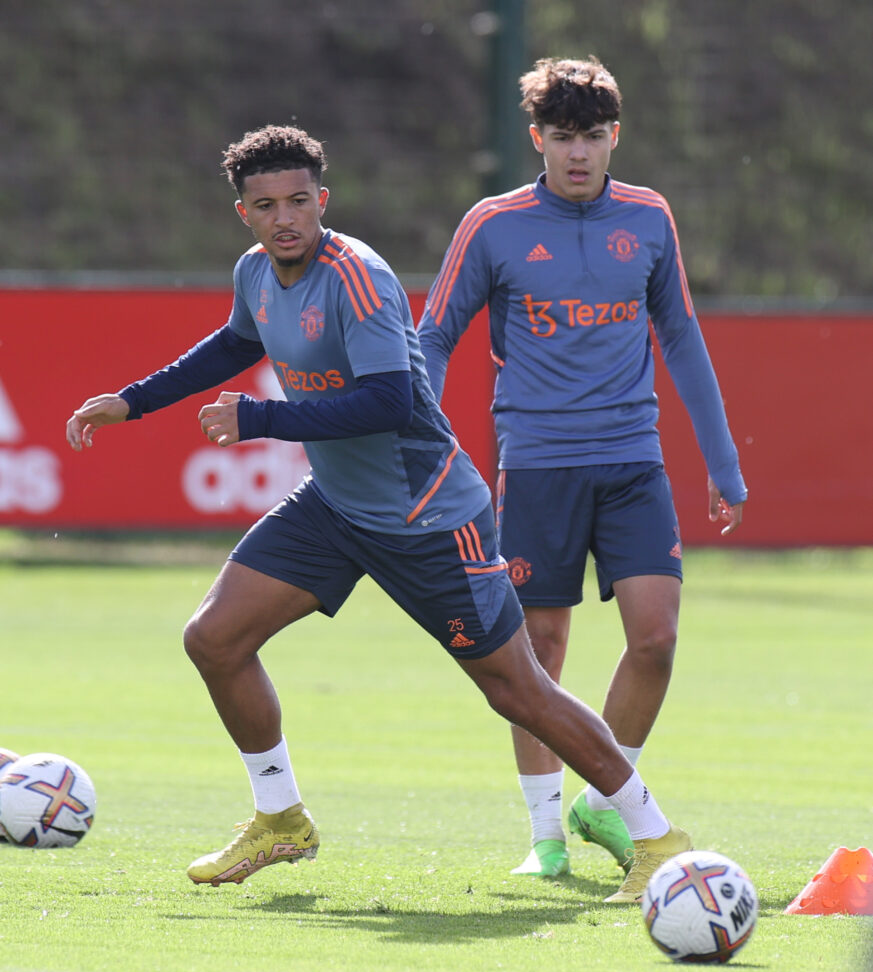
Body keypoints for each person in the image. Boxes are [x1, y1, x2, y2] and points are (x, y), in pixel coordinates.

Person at [66, 123, 691, 901]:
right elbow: (232, 345)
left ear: (322, 200)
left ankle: (655, 836)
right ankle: (279, 818)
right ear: (245, 214)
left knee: (517, 690)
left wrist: (261, 421)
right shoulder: (256, 273)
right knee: (215, 638)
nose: (285, 216)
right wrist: (134, 400)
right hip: (336, 507)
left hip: (428, 517)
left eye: (299, 200)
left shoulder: (356, 275)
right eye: (267, 205)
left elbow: (389, 402)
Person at [418, 57, 746, 879]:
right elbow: (430, 339)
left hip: (633, 462)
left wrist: (721, 460)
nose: (577, 153)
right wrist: (421, 442)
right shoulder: (491, 225)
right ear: (536, 138)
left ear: (613, 138)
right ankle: (544, 839)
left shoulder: (648, 217)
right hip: (536, 467)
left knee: (657, 640)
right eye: (561, 137)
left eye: (592, 137)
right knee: (539, 650)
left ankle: (601, 803)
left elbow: (680, 336)